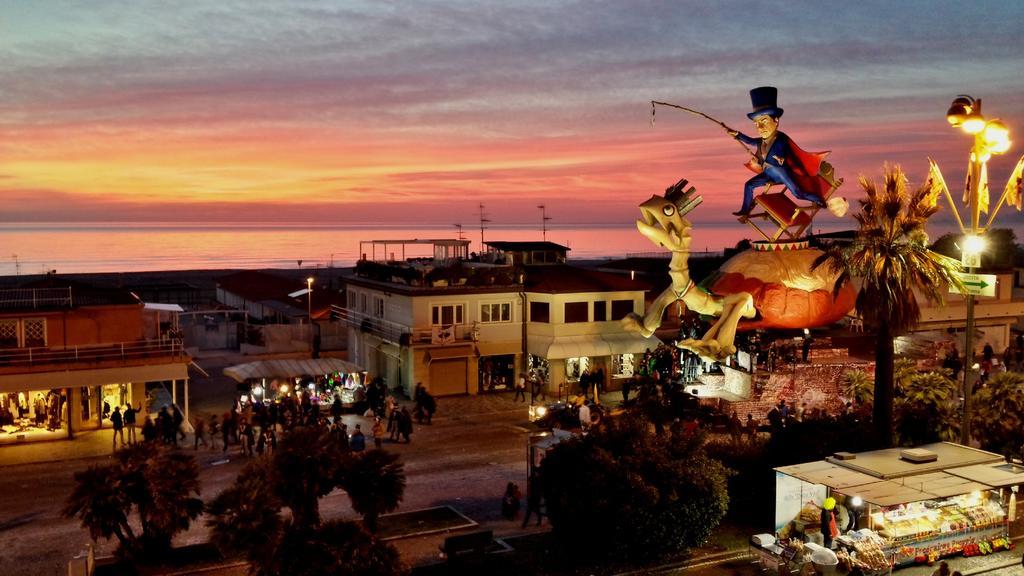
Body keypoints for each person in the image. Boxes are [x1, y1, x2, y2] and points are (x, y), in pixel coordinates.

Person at [728, 86, 835, 217]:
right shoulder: (760, 142)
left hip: (781, 172)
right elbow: (749, 140)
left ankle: (819, 199)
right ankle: (745, 209)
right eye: (756, 124)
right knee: (749, 185)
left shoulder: (781, 139)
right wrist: (737, 134)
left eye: (764, 121)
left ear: (776, 121)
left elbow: (788, 154)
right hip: (768, 173)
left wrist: (780, 159)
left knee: (798, 194)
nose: (760, 128)